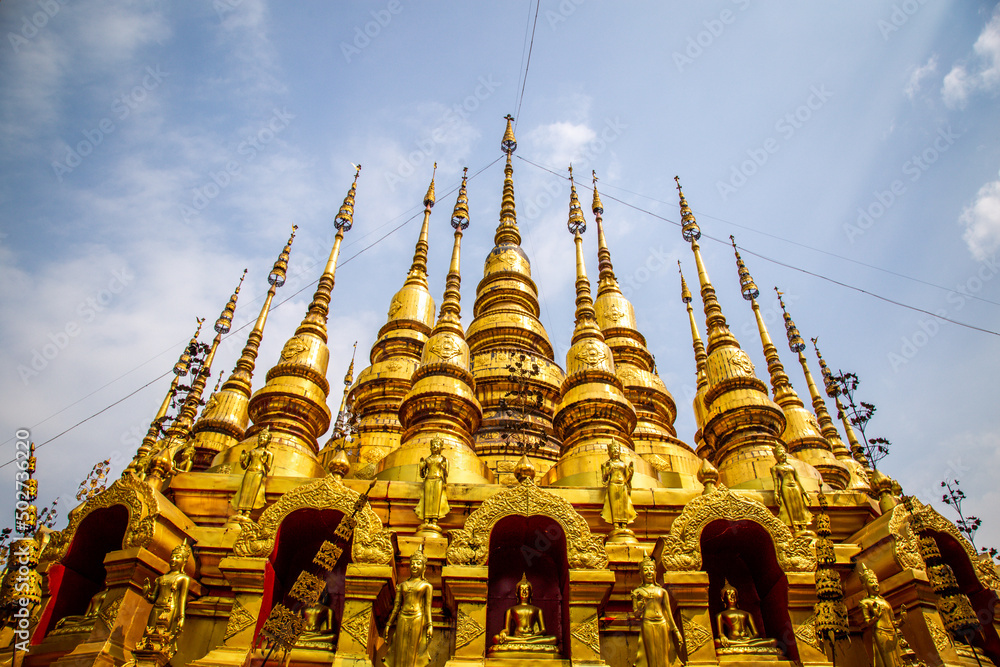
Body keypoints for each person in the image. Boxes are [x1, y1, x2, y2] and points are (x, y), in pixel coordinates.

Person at [138, 540, 193, 654]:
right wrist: (146, 593)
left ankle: (157, 656)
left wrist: (181, 617)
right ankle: (144, 655)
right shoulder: (161, 578)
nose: (173, 559)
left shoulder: (183, 579)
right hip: (156, 608)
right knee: (148, 635)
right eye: (172, 557)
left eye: (177, 557)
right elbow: (153, 599)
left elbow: (182, 600)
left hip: (170, 610)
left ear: (184, 561)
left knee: (161, 637)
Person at [384, 544, 434, 667]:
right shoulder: (402, 585)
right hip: (402, 617)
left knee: (413, 649)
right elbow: (396, 607)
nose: (414, 566)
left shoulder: (426, 586)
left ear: (424, 567)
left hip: (417, 617)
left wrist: (429, 625)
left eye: (418, 563)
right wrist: (389, 624)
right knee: (400, 647)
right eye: (412, 563)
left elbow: (427, 607)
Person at [631, 553, 683, 667]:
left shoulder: (662, 591)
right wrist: (641, 607)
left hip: (662, 623)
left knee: (664, 654)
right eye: (645, 570)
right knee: (651, 654)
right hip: (648, 623)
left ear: (655, 572)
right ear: (641, 574)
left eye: (651, 569)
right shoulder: (637, 592)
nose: (649, 572)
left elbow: (669, 613)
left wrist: (676, 631)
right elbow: (636, 614)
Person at [490, 574, 559, 654]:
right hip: (517, 637)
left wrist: (533, 636)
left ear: (531, 593)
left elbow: (543, 630)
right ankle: (524, 641)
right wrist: (503, 633)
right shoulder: (511, 610)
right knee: (496, 638)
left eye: (527, 589)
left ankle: (523, 642)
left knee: (553, 639)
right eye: (522, 589)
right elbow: (507, 630)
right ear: (517, 593)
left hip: (532, 637)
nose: (524, 592)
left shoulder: (537, 610)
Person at [858, 565, 904, 667]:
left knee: (899, 660)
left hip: (893, 632)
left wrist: (902, 619)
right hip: (881, 632)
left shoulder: (885, 602)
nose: (875, 584)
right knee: (889, 661)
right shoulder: (865, 602)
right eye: (871, 582)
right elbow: (867, 622)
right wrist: (876, 618)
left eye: (876, 581)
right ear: (865, 586)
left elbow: (893, 621)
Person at [714, 580, 778, 651]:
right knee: (717, 642)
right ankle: (746, 646)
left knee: (773, 641)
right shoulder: (720, 615)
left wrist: (750, 638)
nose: (732, 596)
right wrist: (722, 637)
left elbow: (756, 633)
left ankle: (744, 645)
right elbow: (720, 633)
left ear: (738, 597)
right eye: (728, 594)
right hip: (733, 641)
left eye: (734, 594)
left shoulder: (747, 614)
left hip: (748, 640)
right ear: (723, 598)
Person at [770, 443, 813, 534]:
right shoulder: (775, 468)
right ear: (776, 456)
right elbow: (776, 483)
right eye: (780, 453)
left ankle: (803, 525)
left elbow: (798, 481)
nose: (783, 454)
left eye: (783, 452)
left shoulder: (791, 467)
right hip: (785, 487)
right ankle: (795, 527)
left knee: (799, 505)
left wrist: (805, 493)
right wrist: (776, 493)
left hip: (795, 486)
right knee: (790, 506)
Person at [231, 427, 273, 519]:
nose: (262, 439)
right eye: (260, 437)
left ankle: (248, 511)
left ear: (268, 440)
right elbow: (244, 466)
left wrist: (264, 462)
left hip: (259, 473)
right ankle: (240, 509)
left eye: (264, 437)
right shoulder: (252, 452)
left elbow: (268, 468)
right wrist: (242, 460)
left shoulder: (268, 454)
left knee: (253, 492)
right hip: (249, 471)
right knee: (244, 491)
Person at [415, 438, 450, 536]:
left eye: (437, 444)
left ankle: (434, 519)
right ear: (430, 447)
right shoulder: (427, 459)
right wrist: (421, 468)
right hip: (428, 479)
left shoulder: (443, 459)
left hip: (438, 479)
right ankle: (426, 519)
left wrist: (443, 468)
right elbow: (422, 475)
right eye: (433, 444)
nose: (435, 446)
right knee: (428, 499)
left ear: (441, 447)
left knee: (436, 499)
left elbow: (446, 474)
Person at [601, 442, 636, 537]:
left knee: (624, 504)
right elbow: (604, 479)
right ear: (609, 452)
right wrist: (607, 472)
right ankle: (616, 524)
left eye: (617, 449)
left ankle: (624, 523)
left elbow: (627, 479)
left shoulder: (623, 464)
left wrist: (631, 472)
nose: (615, 451)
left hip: (622, 485)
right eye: (613, 449)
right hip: (613, 484)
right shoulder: (607, 464)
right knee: (614, 505)